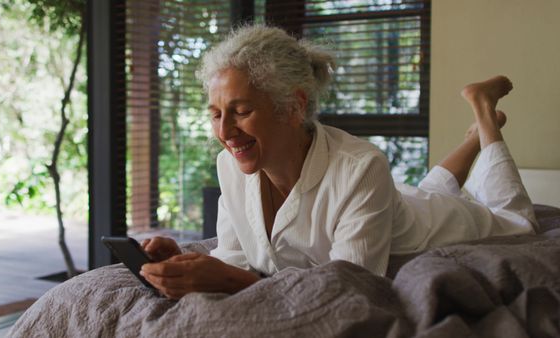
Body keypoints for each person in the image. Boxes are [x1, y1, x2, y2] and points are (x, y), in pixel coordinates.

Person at [139, 25, 537, 300]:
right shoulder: (231, 168)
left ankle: (484, 114)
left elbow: (351, 288)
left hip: (436, 224)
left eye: (241, 111)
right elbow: (235, 256)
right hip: (400, 204)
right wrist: (187, 264)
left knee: (514, 219)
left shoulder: (361, 167)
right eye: (215, 114)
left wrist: (228, 281)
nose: (225, 131)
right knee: (427, 191)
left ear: (293, 106)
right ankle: (472, 139)